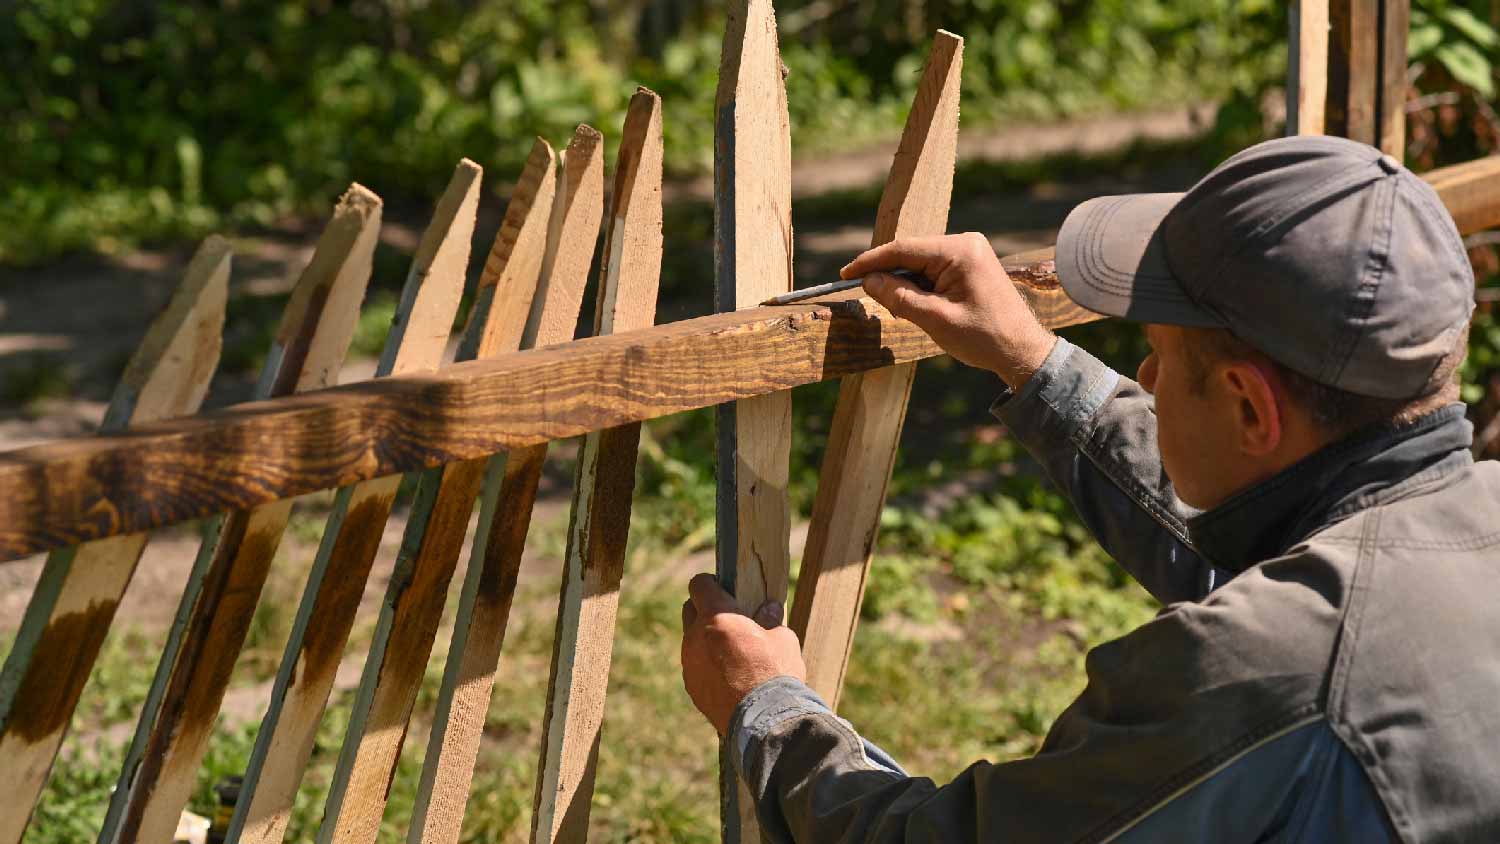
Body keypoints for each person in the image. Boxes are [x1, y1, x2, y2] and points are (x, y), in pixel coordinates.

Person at [679, 135, 1500, 842]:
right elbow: (1298, 572)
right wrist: (1031, 361)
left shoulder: (1267, 666)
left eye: (1161, 357)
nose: (1144, 376)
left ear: (1251, 407)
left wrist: (769, 711)